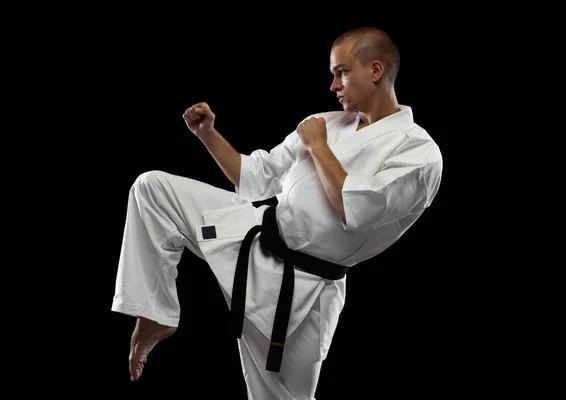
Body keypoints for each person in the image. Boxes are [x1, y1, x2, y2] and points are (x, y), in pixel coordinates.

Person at [111, 26, 443, 399]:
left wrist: (318, 146)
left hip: (306, 293)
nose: (333, 85)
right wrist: (208, 134)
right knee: (152, 189)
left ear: (376, 71)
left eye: (341, 72)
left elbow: (356, 209)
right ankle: (155, 313)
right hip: (252, 240)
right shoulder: (328, 122)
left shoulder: (418, 152)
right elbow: (255, 177)